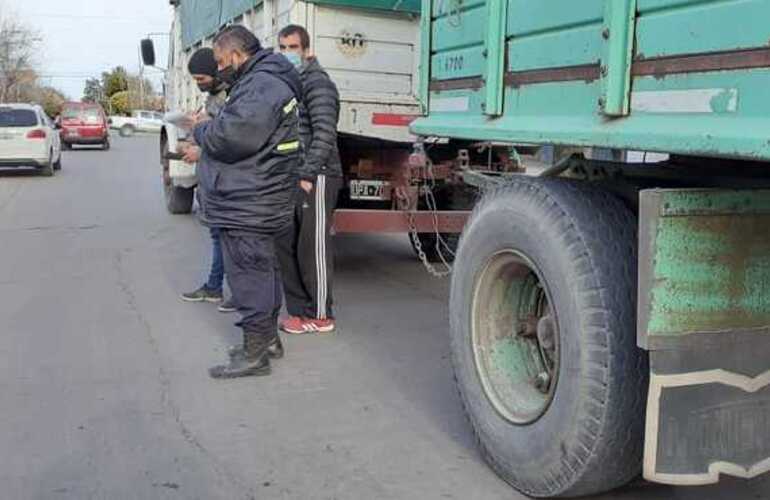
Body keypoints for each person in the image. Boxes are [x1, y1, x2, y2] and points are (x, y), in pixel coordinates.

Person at [185, 25, 303, 378]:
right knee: (261, 270)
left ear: (236, 55)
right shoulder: (262, 81)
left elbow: (230, 138)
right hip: (257, 194)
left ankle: (255, 353)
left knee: (249, 274)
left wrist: (201, 128)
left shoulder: (262, 84)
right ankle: (266, 340)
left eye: (221, 61)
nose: (220, 68)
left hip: (250, 199)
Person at [276, 24, 343, 335]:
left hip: (318, 176)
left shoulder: (318, 84)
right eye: (283, 48)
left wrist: (307, 173)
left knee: (312, 247)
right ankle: (300, 313)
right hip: (294, 175)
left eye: (292, 47)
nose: (288, 53)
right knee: (288, 245)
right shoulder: (293, 85)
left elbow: (325, 133)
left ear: (306, 50)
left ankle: (320, 315)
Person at [179, 48, 237, 313]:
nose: (198, 84)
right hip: (214, 177)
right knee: (218, 236)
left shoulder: (233, 96)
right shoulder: (214, 97)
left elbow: (231, 139)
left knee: (233, 239)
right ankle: (215, 287)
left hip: (229, 179)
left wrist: (201, 149)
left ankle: (239, 292)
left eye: (201, 78)